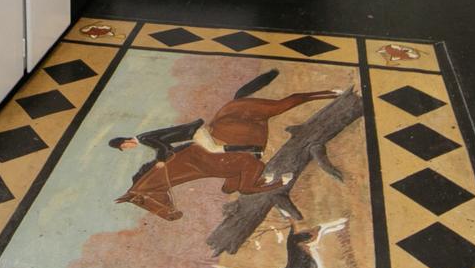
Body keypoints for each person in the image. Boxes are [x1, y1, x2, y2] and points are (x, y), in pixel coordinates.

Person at [111, 71, 340, 221]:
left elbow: (162, 146)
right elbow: (167, 146)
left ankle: (327, 94)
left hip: (195, 131)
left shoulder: (143, 138)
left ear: (126, 140)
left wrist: (162, 161)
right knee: (227, 185)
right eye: (125, 149)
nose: (128, 148)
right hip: (191, 136)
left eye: (125, 146)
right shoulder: (143, 140)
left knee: (213, 150)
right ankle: (248, 165)